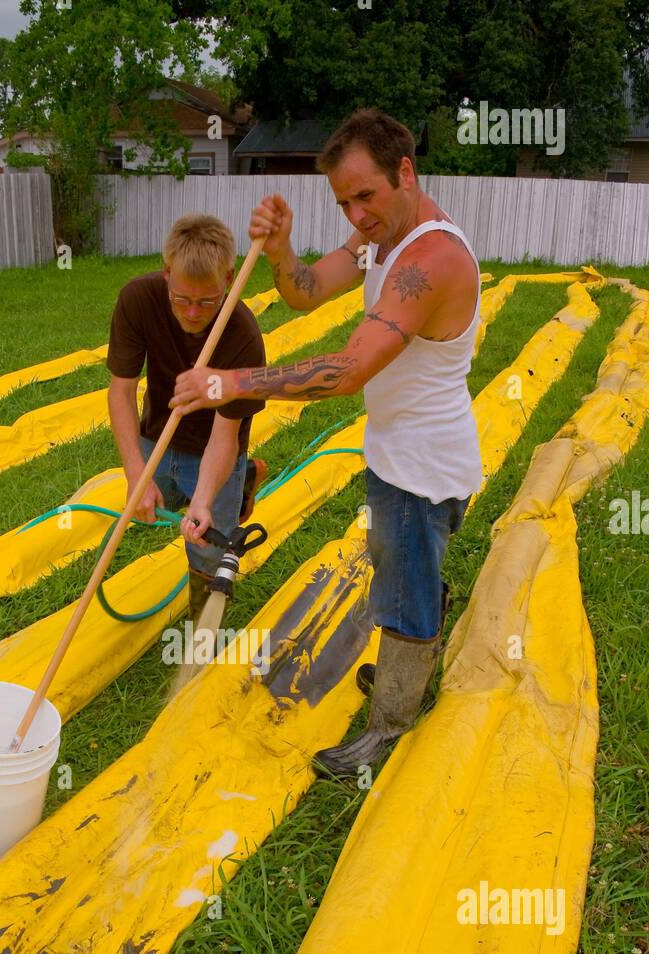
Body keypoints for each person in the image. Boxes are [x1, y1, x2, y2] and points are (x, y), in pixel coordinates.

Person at [170, 107, 482, 776]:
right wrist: (281, 251)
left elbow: (345, 370)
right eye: (343, 202)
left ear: (405, 171)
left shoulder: (429, 257)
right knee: (399, 567)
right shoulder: (381, 240)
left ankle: (390, 726)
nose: (356, 215)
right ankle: (414, 653)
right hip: (397, 448)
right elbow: (306, 291)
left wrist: (227, 382)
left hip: (424, 463)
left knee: (402, 586)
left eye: (365, 195)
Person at [107, 213, 267, 624]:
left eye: (207, 301)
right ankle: (233, 482)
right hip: (157, 436)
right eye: (182, 298)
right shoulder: (137, 300)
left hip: (214, 449)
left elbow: (223, 434)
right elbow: (121, 392)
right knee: (137, 508)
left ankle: (201, 632)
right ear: (166, 273)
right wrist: (135, 475)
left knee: (207, 546)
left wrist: (204, 499)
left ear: (229, 280)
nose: (194, 312)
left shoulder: (242, 335)